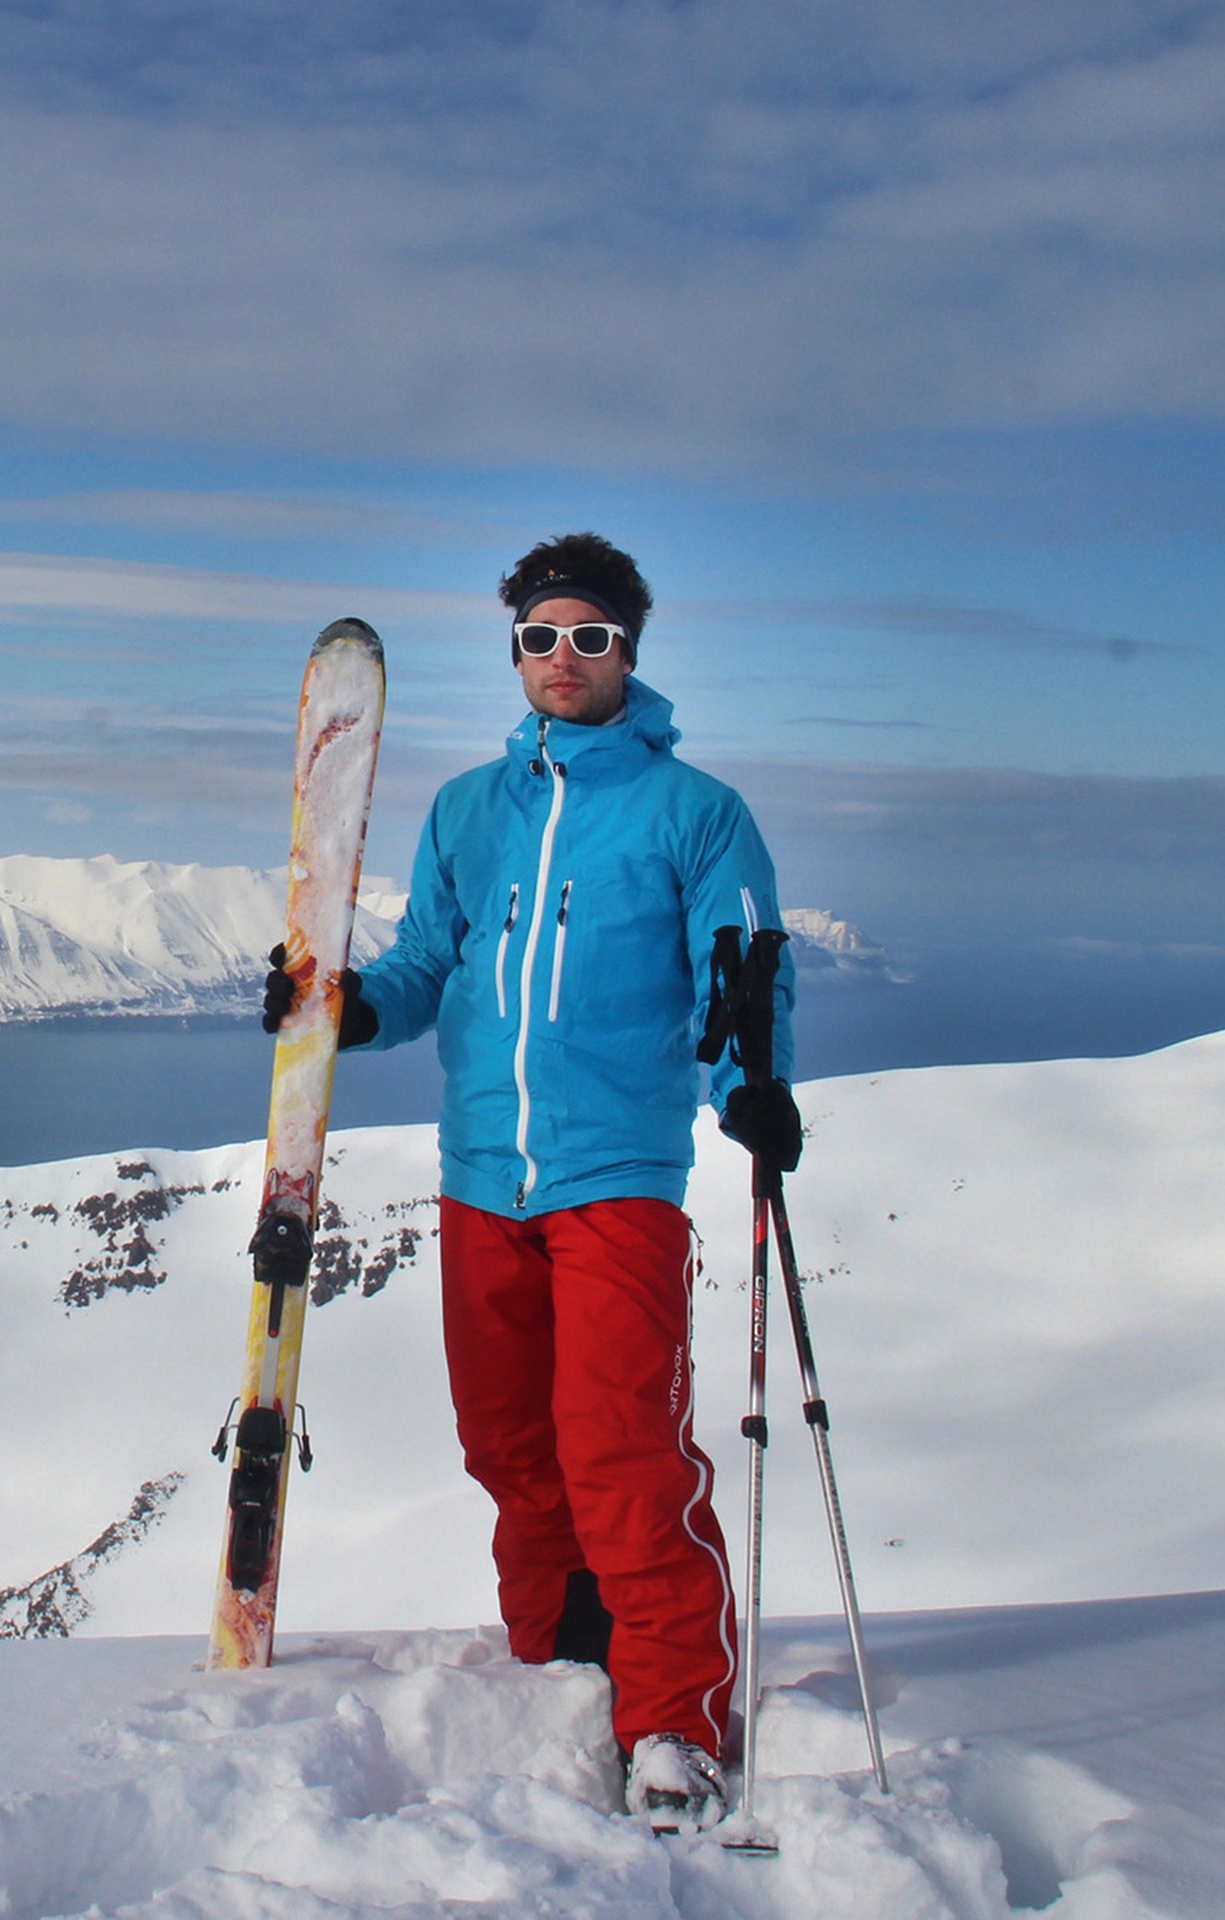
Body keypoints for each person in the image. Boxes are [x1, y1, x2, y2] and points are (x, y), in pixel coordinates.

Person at [264, 531, 801, 1833]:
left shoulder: (696, 814)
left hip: (615, 1174)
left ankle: (672, 1717)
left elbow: (744, 973)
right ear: (514, 652)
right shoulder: (468, 812)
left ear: (630, 651)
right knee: (510, 1446)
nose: (564, 660)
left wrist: (753, 1090)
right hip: (481, 1178)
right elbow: (424, 962)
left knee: (621, 1445)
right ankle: (557, 1664)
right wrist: (341, 1013)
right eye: (541, 638)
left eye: (591, 638)